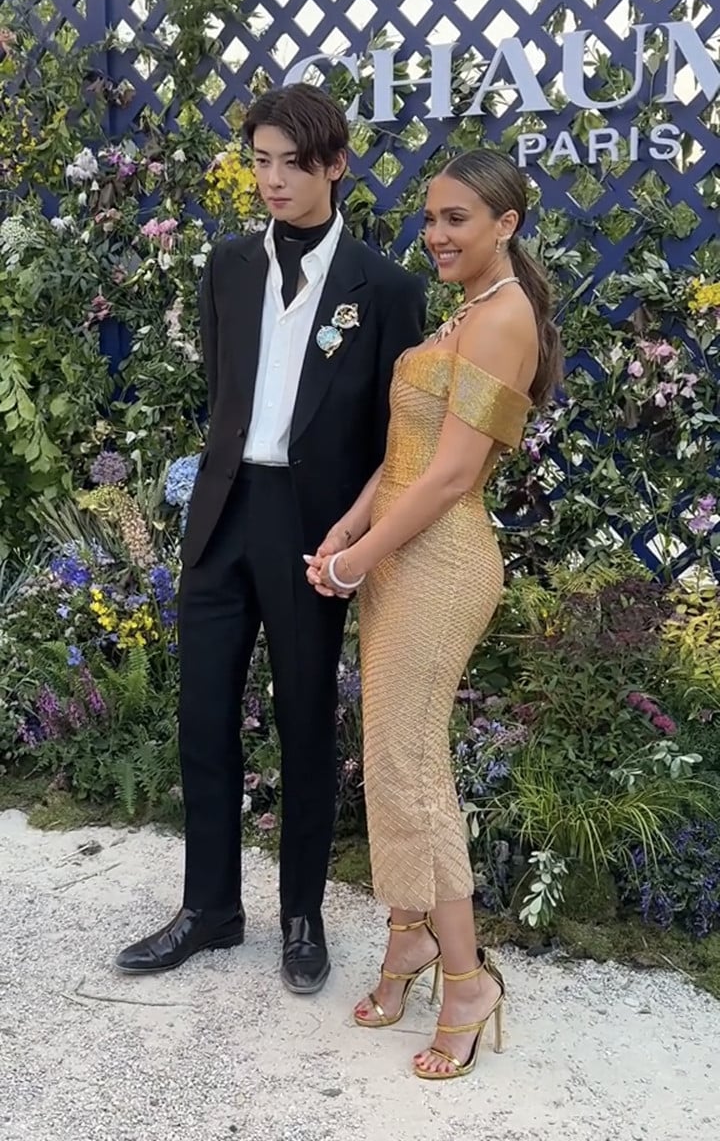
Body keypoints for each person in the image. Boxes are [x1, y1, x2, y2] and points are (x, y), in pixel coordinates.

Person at [115, 83, 426, 993]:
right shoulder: (226, 267)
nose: (274, 180)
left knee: (303, 723)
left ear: (335, 165)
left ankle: (301, 915)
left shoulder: (387, 287)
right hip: (222, 517)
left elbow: (393, 434)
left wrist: (354, 534)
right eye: (260, 161)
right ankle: (209, 909)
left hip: (312, 526)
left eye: (293, 162)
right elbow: (226, 393)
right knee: (202, 715)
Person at [306, 148, 562, 1078]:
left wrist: (360, 556)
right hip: (396, 552)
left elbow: (455, 474)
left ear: (507, 224)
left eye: (458, 218)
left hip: (442, 562)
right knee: (389, 754)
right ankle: (409, 937)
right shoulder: (468, 314)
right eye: (430, 219)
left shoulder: (506, 320)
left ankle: (465, 981)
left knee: (414, 766)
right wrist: (349, 525)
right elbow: (407, 452)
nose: (438, 235)